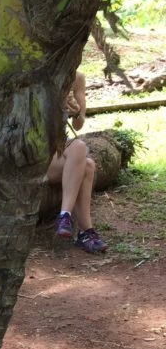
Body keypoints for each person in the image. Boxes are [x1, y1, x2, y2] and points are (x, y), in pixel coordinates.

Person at [47, 70, 108, 254]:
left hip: (55, 153)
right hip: (32, 155)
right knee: (81, 149)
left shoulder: (77, 78)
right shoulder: (38, 73)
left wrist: (76, 112)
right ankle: (77, 225)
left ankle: (81, 230)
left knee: (88, 165)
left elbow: (79, 124)